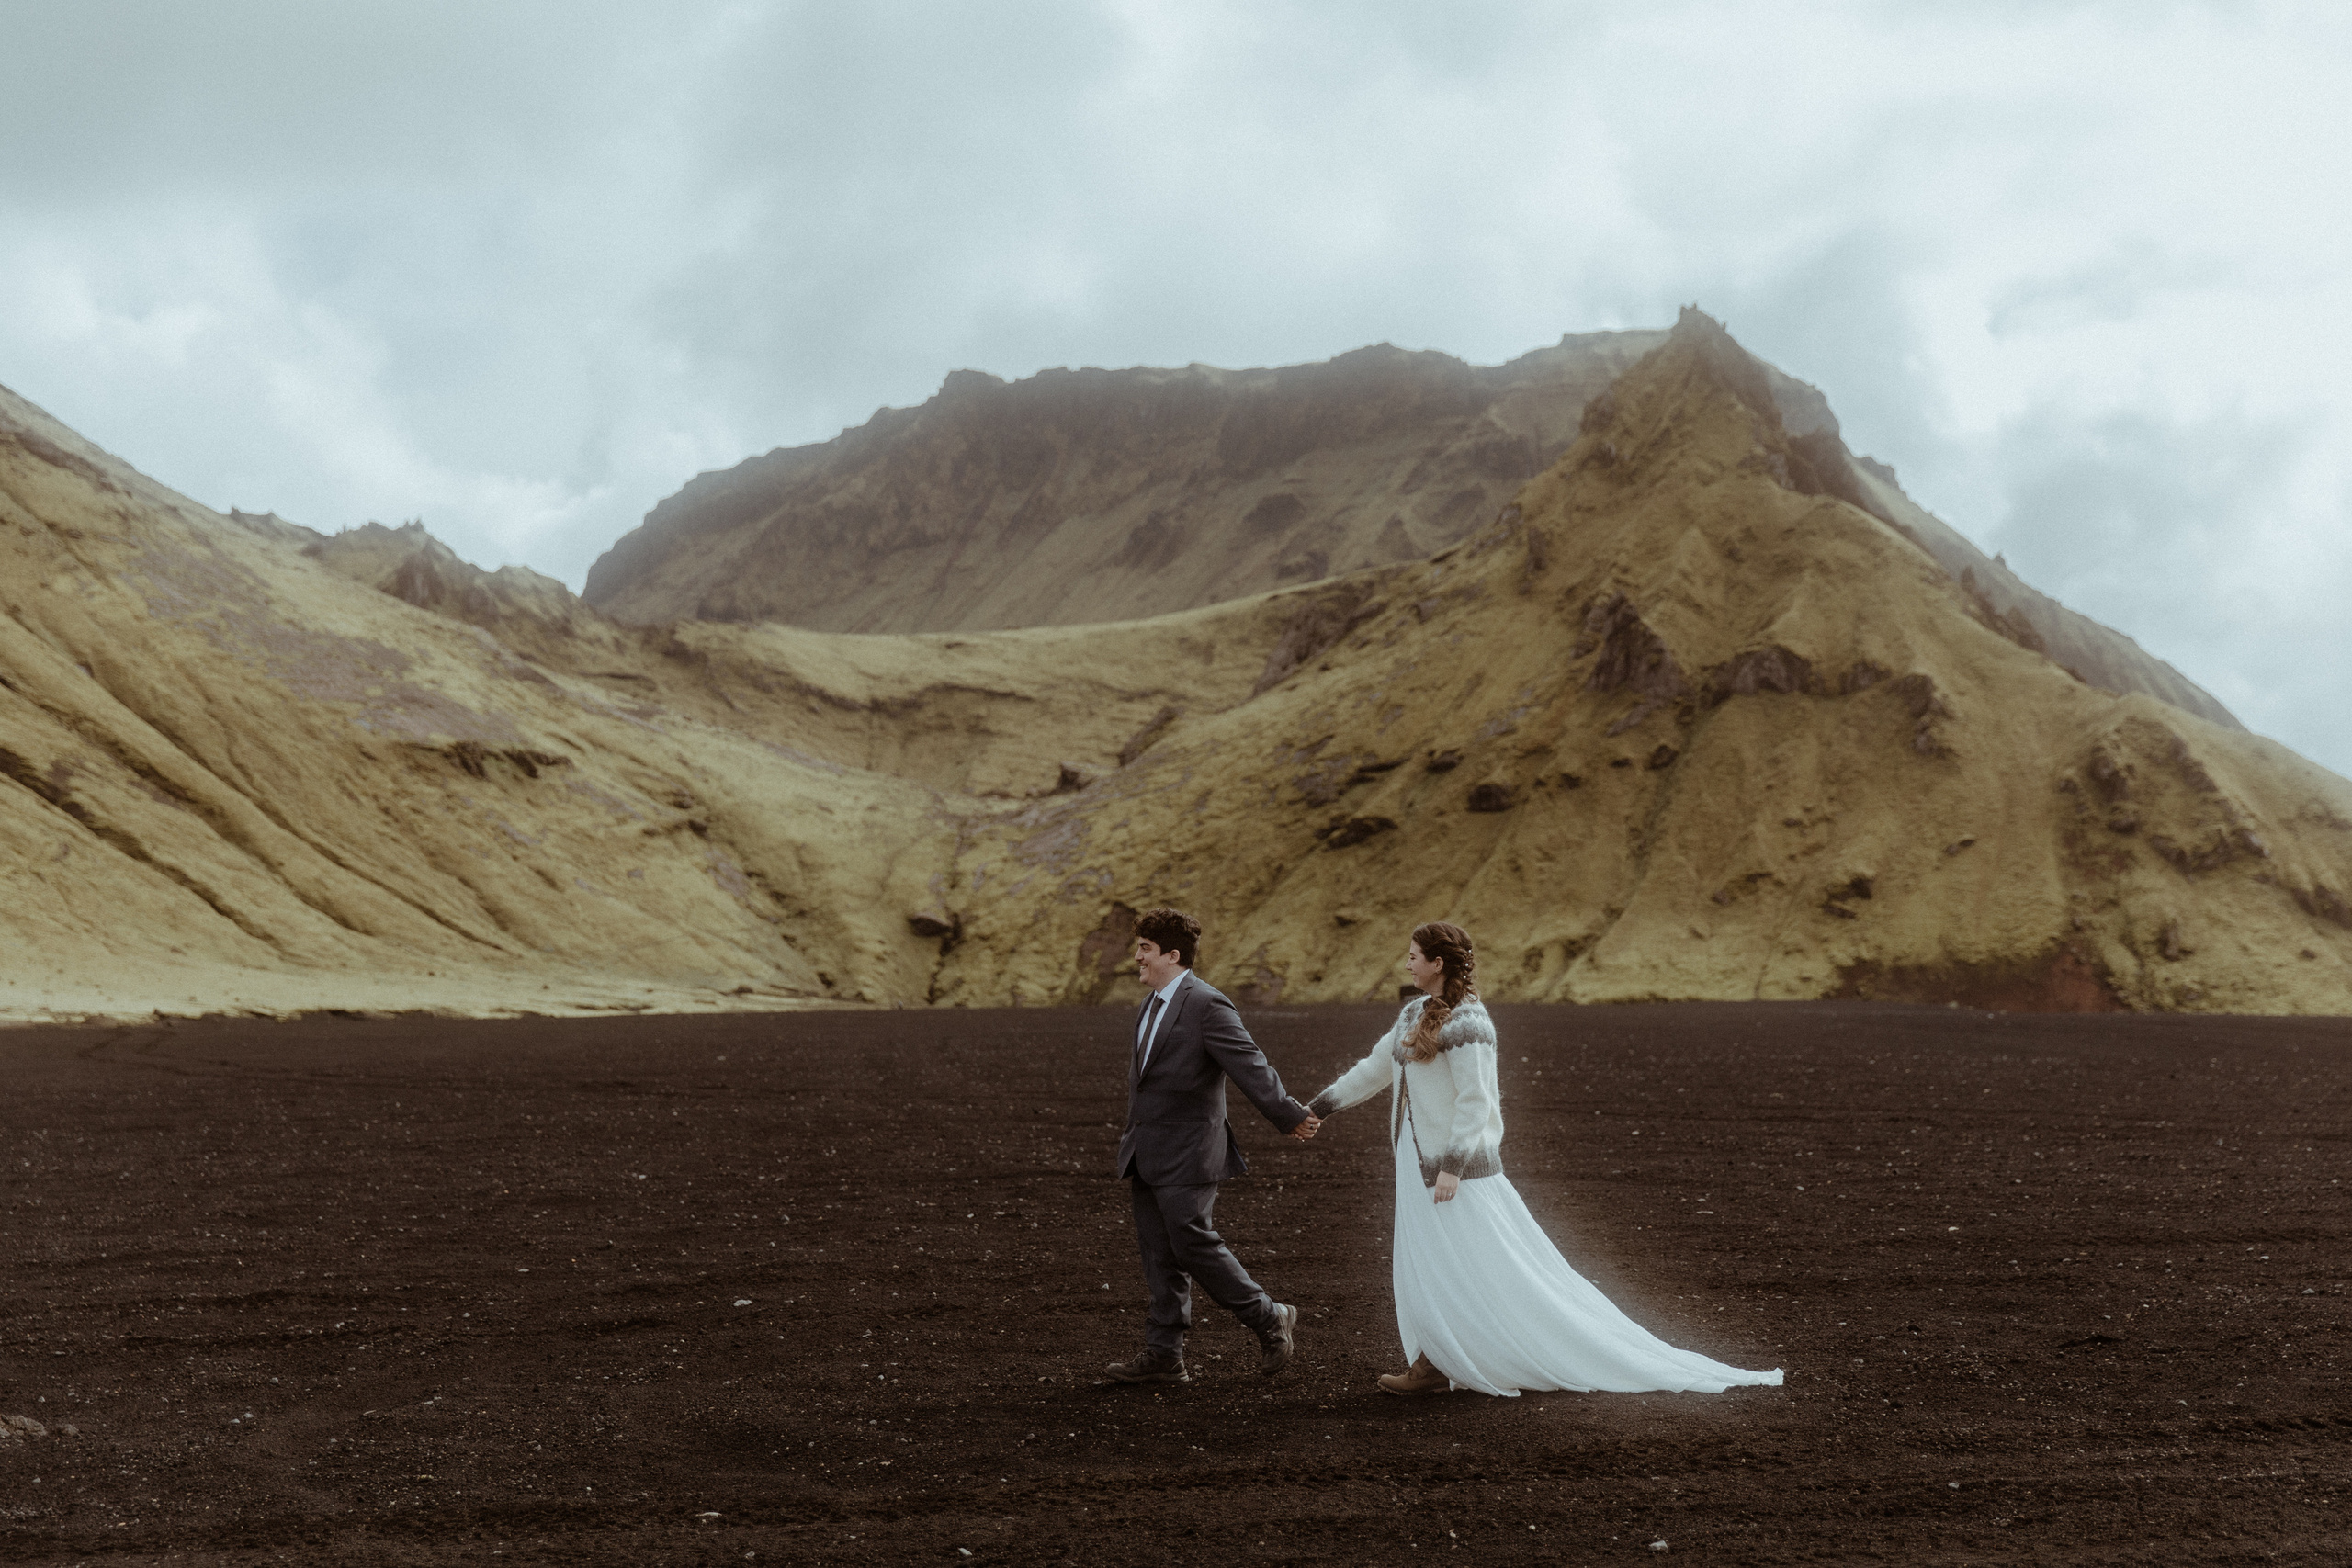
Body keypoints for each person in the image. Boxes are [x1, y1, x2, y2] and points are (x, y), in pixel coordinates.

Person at [1300, 920, 1783, 1398]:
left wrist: (1452, 1167)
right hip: (1416, 1162)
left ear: (1437, 963)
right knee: (1434, 1263)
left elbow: (1476, 1101)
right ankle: (1435, 1360)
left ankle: (1450, 1360)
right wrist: (1319, 1108)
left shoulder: (1470, 1022)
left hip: (1454, 1170)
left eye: (1413, 955)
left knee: (1483, 1262)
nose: (1406, 962)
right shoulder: (1411, 1015)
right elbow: (1374, 1069)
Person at [1106, 908, 1321, 1384]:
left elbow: (1249, 1063)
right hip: (1145, 1151)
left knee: (1192, 1242)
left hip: (1190, 1150)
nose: (1136, 957)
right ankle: (1164, 1355)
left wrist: (1288, 1115)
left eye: (1145, 948)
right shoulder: (1149, 1005)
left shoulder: (1207, 1004)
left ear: (1172, 955)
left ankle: (1268, 1316)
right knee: (1158, 1252)